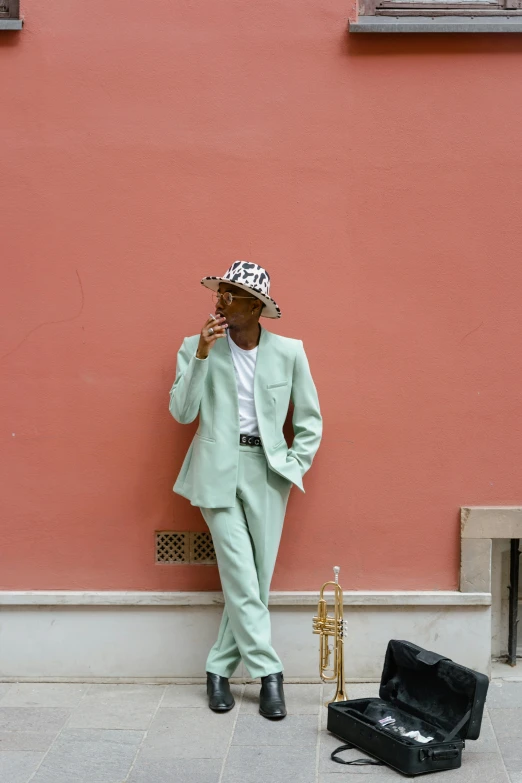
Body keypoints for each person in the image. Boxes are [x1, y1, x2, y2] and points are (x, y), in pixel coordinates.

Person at [169, 261, 322, 719]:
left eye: (229, 295)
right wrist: (199, 354)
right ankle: (269, 672)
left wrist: (293, 463)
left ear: (255, 306)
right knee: (239, 568)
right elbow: (181, 412)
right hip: (215, 468)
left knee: (255, 577)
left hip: (267, 471)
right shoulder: (195, 346)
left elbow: (310, 420)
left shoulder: (289, 352)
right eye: (219, 293)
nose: (218, 301)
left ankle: (218, 669)